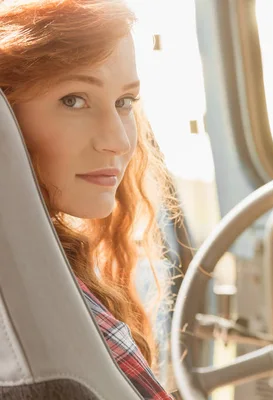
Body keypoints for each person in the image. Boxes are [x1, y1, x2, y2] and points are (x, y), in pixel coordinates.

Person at [0, 1, 175, 398]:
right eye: (74, 100)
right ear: (6, 119)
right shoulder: (38, 302)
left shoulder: (40, 278)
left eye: (124, 103)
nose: (117, 141)